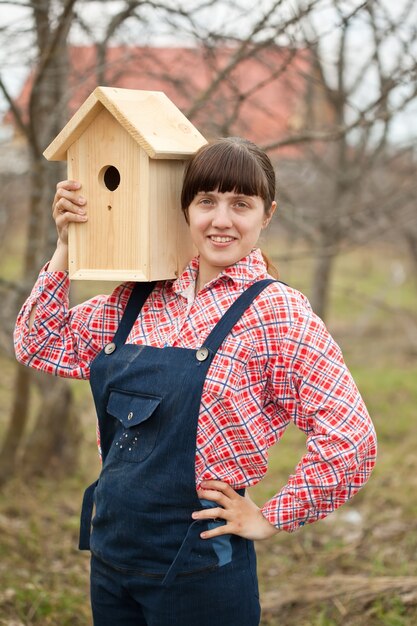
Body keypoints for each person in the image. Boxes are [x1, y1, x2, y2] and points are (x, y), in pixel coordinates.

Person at [14, 137, 377, 626]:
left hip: (201, 574)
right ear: (186, 208)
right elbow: (37, 341)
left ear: (267, 214)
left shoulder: (278, 315)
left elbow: (350, 437)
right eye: (206, 201)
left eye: (240, 204)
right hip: (112, 560)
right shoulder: (137, 300)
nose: (220, 220)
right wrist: (65, 244)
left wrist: (272, 517)